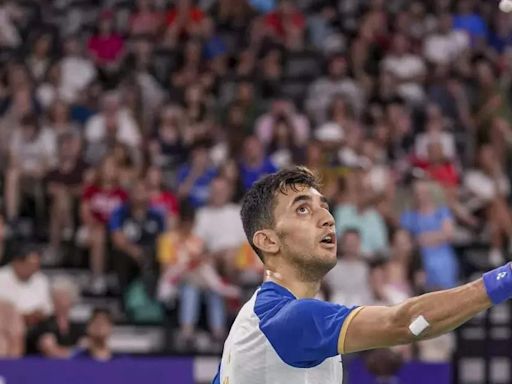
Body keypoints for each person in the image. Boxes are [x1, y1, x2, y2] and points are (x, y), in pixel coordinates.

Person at [213, 166, 512, 383]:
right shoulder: (286, 319)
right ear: (268, 241)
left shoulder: (252, 322)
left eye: (324, 207)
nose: (327, 219)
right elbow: (405, 323)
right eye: (303, 210)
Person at [27, 276, 82, 357]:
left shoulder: (79, 327)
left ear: (72, 299)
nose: (59, 300)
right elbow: (49, 350)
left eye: (63, 296)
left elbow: (84, 350)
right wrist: (73, 352)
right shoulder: (43, 325)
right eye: (56, 296)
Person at [0, 244, 52, 328]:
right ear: (17, 262)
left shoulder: (40, 279)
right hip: (7, 326)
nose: (35, 269)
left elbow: (47, 309)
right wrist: (23, 317)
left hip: (37, 326)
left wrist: (36, 315)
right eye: (31, 265)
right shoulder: (1, 277)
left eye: (37, 265)